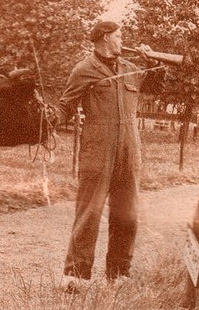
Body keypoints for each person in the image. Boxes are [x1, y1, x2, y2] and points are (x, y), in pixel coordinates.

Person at [58, 20, 165, 291]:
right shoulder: (84, 70)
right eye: (118, 36)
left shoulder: (130, 69)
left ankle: (119, 274)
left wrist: (151, 59)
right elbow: (65, 106)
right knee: (88, 213)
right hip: (97, 151)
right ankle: (76, 276)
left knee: (127, 213)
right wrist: (49, 122)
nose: (121, 40)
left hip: (129, 152)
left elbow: (156, 87)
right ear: (104, 39)